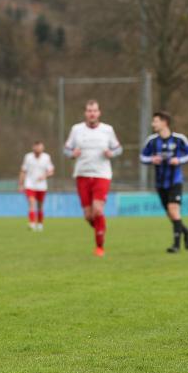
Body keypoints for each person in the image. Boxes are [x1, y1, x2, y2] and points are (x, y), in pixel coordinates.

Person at [63, 100, 123, 257]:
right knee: (89, 216)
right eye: (89, 111)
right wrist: (72, 154)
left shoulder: (107, 130)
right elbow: (66, 149)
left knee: (97, 210)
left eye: (95, 111)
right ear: (85, 113)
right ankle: (101, 226)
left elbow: (118, 148)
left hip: (101, 174)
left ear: (99, 112)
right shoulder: (76, 129)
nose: (92, 114)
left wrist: (111, 153)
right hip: (82, 174)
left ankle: (99, 247)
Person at [140, 111, 188, 253]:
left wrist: (179, 160)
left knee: (173, 210)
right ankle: (185, 230)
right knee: (171, 214)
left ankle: (176, 245)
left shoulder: (179, 139)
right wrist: (151, 160)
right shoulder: (152, 141)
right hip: (160, 183)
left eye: (155, 121)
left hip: (175, 181)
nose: (153, 124)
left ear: (164, 122)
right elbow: (142, 157)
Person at [18, 141, 54, 232]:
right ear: (33, 148)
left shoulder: (46, 157)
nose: (38, 149)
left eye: (40, 147)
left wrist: (44, 176)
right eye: (36, 147)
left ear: (42, 148)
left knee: (40, 206)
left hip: (42, 186)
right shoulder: (28, 157)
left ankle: (40, 224)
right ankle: (32, 223)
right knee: (31, 202)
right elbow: (23, 171)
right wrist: (21, 184)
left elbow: (51, 171)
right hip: (30, 184)